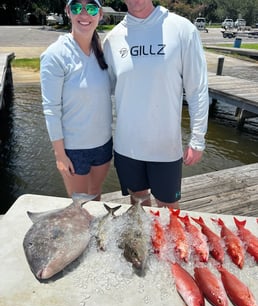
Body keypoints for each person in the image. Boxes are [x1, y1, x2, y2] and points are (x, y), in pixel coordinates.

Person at [103, 0, 209, 208]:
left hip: (165, 148)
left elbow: (197, 89)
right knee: (138, 205)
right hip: (127, 148)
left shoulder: (182, 29)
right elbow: (102, 93)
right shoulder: (112, 39)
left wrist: (198, 139)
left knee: (169, 211)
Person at [40, 0, 112, 200]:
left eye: (90, 8)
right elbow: (51, 109)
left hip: (103, 144)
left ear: (99, 14)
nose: (84, 14)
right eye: (76, 8)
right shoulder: (55, 54)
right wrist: (60, 155)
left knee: (96, 198)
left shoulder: (103, 51)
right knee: (79, 207)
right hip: (73, 149)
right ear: (68, 12)